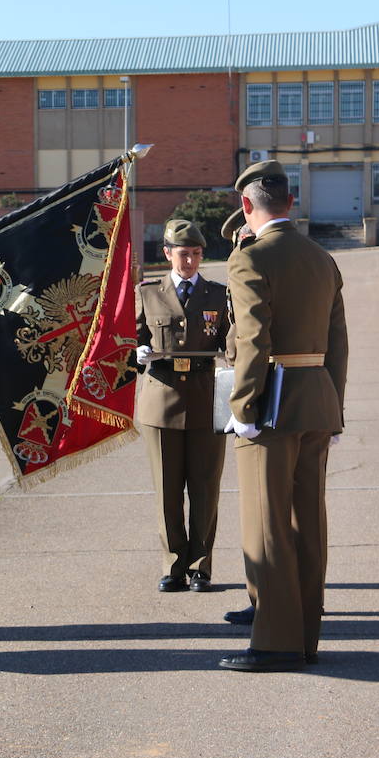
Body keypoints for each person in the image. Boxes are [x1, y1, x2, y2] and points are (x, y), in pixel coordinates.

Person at [218, 160, 348, 672]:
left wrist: (243, 406)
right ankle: (305, 636)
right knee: (307, 522)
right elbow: (337, 342)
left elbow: (253, 338)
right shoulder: (321, 258)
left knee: (267, 524)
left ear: (246, 207)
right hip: (316, 397)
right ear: (289, 204)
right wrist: (334, 405)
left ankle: (274, 642)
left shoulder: (251, 259)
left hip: (271, 402)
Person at [135, 219, 230, 594]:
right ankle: (173, 565)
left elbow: (231, 339)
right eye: (182, 254)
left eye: (195, 254)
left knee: (205, 488)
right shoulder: (148, 293)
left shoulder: (218, 294)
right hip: (161, 399)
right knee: (167, 490)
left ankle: (200, 567)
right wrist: (137, 351)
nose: (189, 261)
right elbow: (130, 339)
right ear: (167, 254)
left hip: (207, 399)